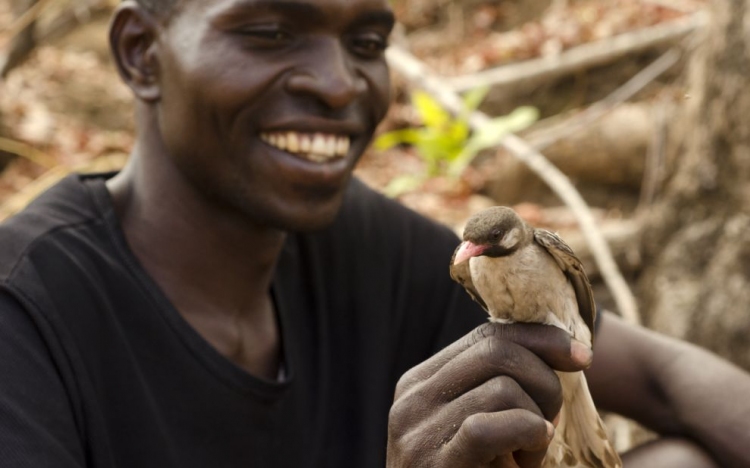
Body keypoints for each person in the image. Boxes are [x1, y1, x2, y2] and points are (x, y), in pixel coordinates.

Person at [0, 0, 749, 466]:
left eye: (366, 41)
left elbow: (662, 379)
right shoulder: (25, 311)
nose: (337, 83)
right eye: (268, 30)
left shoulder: (361, 243)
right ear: (140, 53)